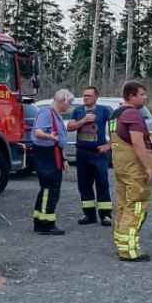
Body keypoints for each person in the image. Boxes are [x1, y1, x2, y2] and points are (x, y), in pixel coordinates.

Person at [108, 81, 152, 262]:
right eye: (142, 94)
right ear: (131, 96)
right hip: (134, 169)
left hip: (121, 166)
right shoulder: (132, 114)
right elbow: (137, 142)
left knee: (123, 206)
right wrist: (147, 167)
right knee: (135, 206)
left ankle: (121, 244)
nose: (145, 97)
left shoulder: (116, 114)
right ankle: (129, 251)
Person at [67, 85, 112, 226]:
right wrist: (84, 120)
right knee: (84, 185)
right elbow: (70, 126)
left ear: (96, 97)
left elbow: (115, 128)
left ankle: (106, 215)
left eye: (89, 95)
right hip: (82, 153)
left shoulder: (104, 110)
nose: (86, 98)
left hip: (98, 154)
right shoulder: (78, 111)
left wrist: (108, 145)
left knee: (102, 184)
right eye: (85, 95)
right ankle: (88, 214)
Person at [30, 89, 72, 235]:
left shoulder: (56, 115)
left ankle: (40, 221)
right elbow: (38, 132)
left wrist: (64, 158)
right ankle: (46, 224)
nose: (70, 106)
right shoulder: (46, 113)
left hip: (54, 153)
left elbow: (60, 139)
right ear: (62, 100)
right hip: (46, 155)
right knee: (50, 188)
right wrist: (50, 137)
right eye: (69, 102)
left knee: (48, 189)